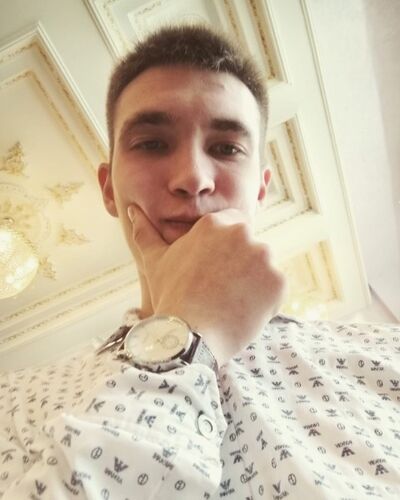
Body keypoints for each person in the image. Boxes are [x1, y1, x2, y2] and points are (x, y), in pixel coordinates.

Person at [1, 24, 400, 500]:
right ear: (109, 188)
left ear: (260, 191)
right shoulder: (14, 401)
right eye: (151, 143)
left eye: (226, 148)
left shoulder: (386, 351)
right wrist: (183, 336)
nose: (192, 177)